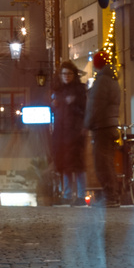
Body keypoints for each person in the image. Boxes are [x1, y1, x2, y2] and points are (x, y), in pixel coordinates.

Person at [84, 50, 121, 206]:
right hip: (110, 125)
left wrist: (86, 124)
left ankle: (110, 196)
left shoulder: (102, 81)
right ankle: (112, 195)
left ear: (97, 64)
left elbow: (95, 106)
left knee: (102, 163)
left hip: (102, 127)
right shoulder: (112, 80)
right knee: (108, 163)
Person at [51, 60, 88, 204]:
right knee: (65, 164)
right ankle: (67, 195)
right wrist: (55, 105)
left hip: (75, 132)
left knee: (78, 165)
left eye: (69, 73)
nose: (66, 76)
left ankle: (80, 195)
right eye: (64, 73)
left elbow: (84, 110)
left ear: (74, 75)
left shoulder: (79, 90)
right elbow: (57, 112)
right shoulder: (58, 91)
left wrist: (72, 104)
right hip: (61, 133)